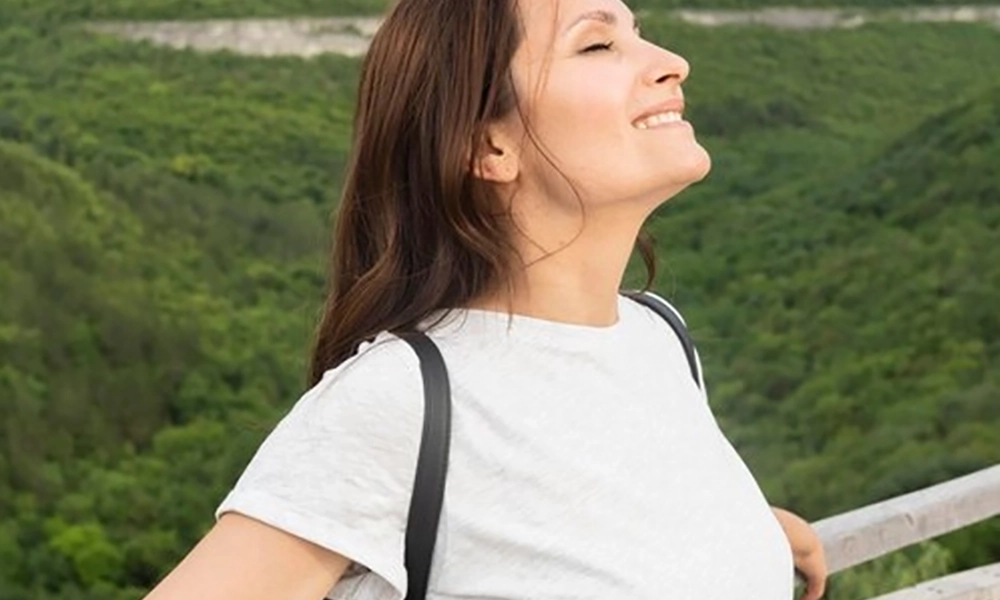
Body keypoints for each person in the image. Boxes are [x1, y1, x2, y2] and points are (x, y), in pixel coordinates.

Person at [143, 0, 828, 598]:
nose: (672, 63)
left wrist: (744, 533)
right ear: (489, 145)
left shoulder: (656, 337)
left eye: (638, 32)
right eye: (598, 44)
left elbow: (557, 531)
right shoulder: (400, 399)